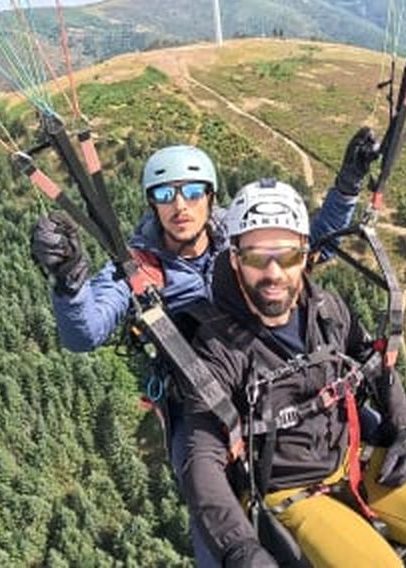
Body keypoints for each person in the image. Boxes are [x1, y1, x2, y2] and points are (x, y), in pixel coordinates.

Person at [31, 131, 379, 566]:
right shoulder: (139, 268)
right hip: (201, 404)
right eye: (166, 193)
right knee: (209, 504)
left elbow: (312, 244)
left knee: (372, 424)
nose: (181, 205)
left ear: (211, 197)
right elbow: (83, 334)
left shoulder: (234, 236)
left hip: (272, 376)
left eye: (193, 192)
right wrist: (69, 281)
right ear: (152, 202)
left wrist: (348, 184)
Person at [180, 179, 406, 568]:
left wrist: (403, 429)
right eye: (257, 256)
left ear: (305, 257)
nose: (273, 273)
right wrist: (240, 548)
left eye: (287, 256)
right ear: (236, 259)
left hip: (350, 457)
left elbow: (375, 361)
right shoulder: (219, 349)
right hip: (288, 491)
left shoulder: (325, 310)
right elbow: (200, 458)